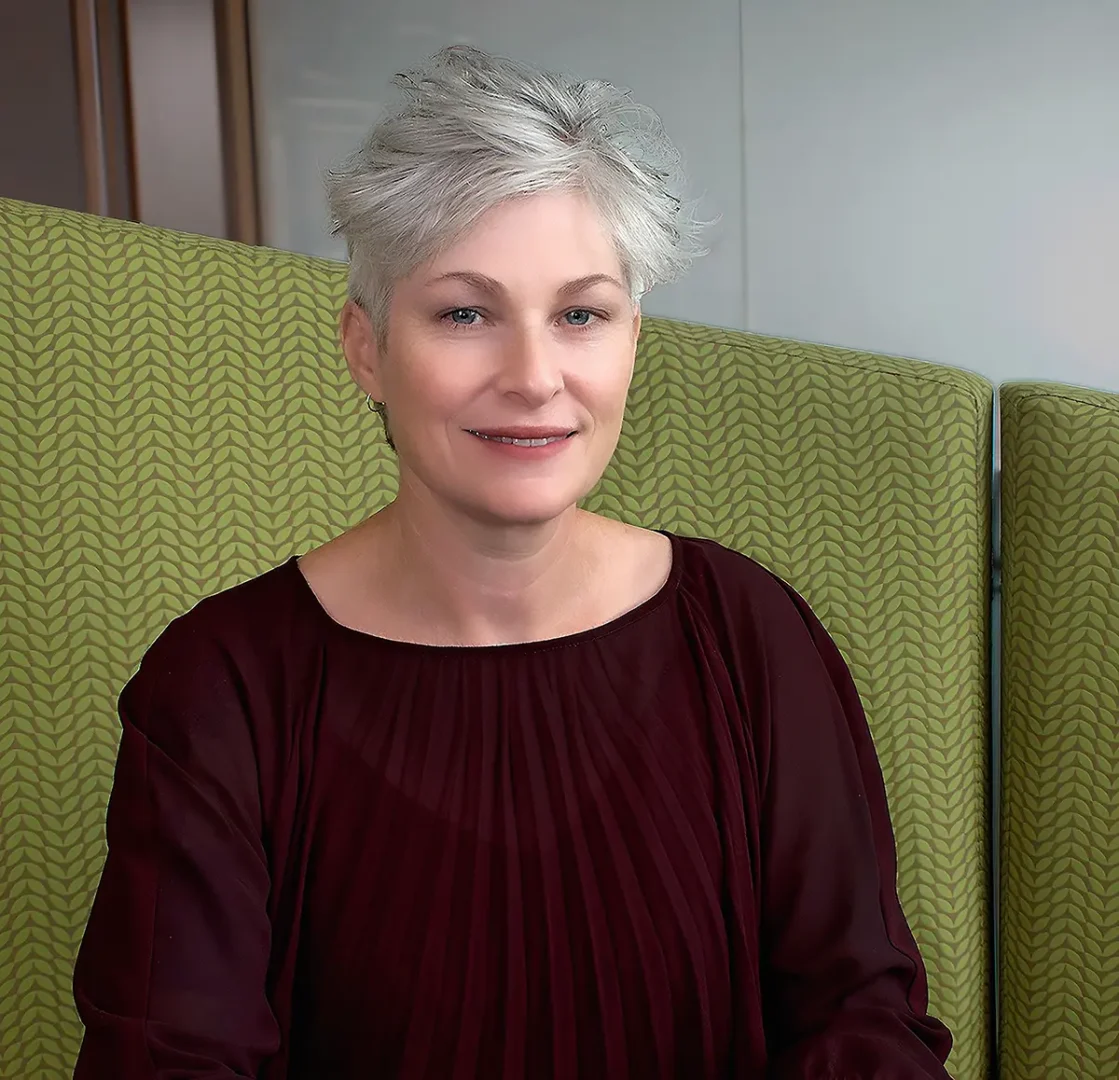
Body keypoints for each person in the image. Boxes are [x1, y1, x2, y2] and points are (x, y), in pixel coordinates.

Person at [72, 45, 953, 1079]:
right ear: (366, 349)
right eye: (465, 313)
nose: (534, 377)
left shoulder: (748, 630)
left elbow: (862, 1024)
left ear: (631, 342)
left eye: (581, 314)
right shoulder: (221, 681)